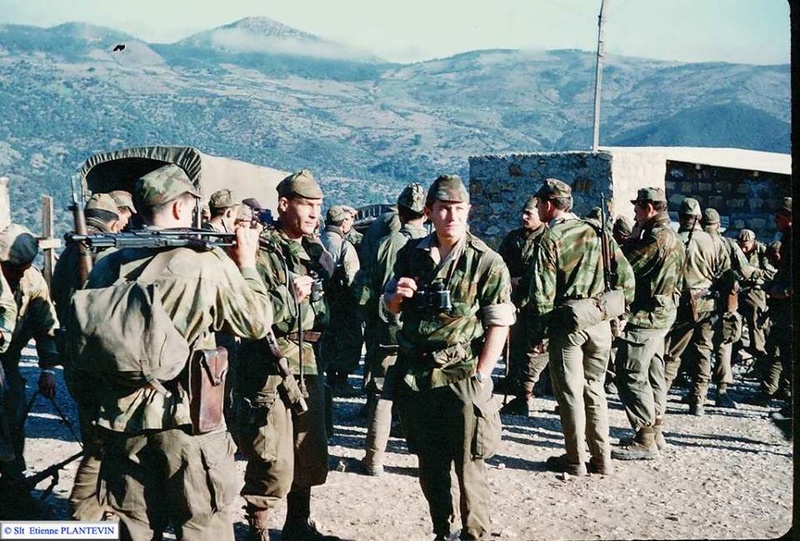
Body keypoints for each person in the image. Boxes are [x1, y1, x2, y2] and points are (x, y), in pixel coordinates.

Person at [65, 164, 274, 540]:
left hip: (122, 422)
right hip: (187, 420)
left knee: (135, 530)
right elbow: (256, 323)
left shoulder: (108, 265)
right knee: (202, 527)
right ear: (180, 209)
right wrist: (246, 265)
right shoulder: (206, 265)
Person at [385, 174, 513, 541]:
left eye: (458, 209)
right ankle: (442, 530)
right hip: (420, 376)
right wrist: (397, 295)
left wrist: (482, 376)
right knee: (431, 464)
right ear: (430, 212)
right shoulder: (411, 254)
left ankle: (475, 535)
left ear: (468, 211)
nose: (451, 216)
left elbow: (499, 323)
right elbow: (389, 307)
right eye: (443, 209)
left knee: (469, 466)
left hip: (461, 375)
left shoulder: (486, 261)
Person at [235, 169, 339, 541]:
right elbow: (253, 313)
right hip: (270, 363)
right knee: (271, 454)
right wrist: (290, 296)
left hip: (309, 361)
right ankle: (259, 529)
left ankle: (298, 524)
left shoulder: (315, 251)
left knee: (308, 449)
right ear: (283, 205)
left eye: (319, 206)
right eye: (307, 205)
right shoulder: (261, 251)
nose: (315, 213)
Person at [527, 179, 634, 476]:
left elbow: (542, 295)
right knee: (595, 389)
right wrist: (613, 312)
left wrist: (539, 335)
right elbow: (627, 279)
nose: (537, 207)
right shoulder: (599, 233)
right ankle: (603, 460)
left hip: (568, 324)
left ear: (549, 204)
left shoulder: (551, 239)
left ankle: (575, 459)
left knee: (570, 393)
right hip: (600, 320)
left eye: (539, 203)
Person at [51, 193, 126, 521]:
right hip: (98, 362)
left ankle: (101, 510)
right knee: (102, 444)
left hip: (76, 359)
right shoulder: (105, 251)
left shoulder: (70, 250)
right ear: (113, 219)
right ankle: (85, 517)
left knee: (96, 438)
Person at [358, 183, 427, 476]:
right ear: (426, 213)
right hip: (421, 329)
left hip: (386, 324)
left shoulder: (385, 242)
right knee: (424, 393)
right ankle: (425, 460)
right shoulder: (435, 244)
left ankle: (374, 458)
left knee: (381, 391)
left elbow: (366, 286)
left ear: (399, 212)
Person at [611, 188, 684, 460]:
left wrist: (626, 242)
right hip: (663, 312)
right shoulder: (671, 236)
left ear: (649, 208)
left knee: (629, 371)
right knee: (653, 370)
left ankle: (644, 438)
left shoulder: (655, 238)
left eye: (637, 208)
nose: (634, 213)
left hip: (648, 315)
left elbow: (626, 268)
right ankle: (656, 429)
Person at [0, 224, 61, 518]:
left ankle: (12, 484)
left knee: (13, 415)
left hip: (7, 363)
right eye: (9, 266)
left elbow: (46, 326)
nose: (15, 273)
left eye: (20, 267)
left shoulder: (32, 283)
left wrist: (48, 369)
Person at [663, 198, 730, 416]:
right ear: (699, 218)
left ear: (680, 217)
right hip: (708, 302)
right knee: (704, 350)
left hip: (683, 303)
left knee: (672, 352)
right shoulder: (715, 241)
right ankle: (698, 400)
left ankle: (659, 397)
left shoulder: (674, 240)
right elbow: (726, 272)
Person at [700, 208, 760, 409]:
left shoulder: (694, 241)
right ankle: (721, 392)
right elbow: (744, 271)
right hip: (725, 301)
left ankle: (697, 392)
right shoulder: (728, 244)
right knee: (724, 345)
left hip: (699, 301)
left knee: (700, 345)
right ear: (718, 225)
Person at [496, 195, 547, 415]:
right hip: (514, 301)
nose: (524, 217)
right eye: (523, 213)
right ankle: (514, 382)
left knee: (535, 350)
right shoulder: (513, 238)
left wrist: (522, 281)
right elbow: (500, 264)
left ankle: (527, 393)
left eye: (529, 214)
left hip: (536, 302)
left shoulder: (547, 238)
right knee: (514, 347)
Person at [319, 205, 363, 397]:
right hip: (343, 302)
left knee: (326, 339)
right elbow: (352, 278)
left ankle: (327, 378)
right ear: (341, 224)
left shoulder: (316, 241)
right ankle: (341, 381)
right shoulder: (345, 246)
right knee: (349, 340)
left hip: (320, 301)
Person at [764, 197, 792, 423]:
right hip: (783, 311)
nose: (776, 220)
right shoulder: (787, 238)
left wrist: (784, 291)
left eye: (779, 217)